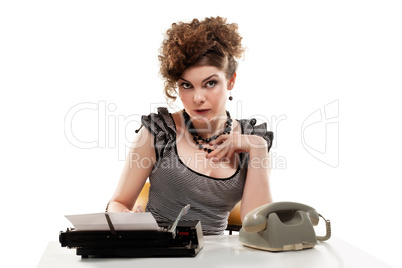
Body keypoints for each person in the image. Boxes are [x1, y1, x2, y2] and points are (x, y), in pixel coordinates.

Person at [107, 16, 273, 235]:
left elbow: (258, 228)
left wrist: (258, 148)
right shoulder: (158, 132)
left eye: (210, 83)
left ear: (231, 81)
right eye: (187, 85)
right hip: (159, 252)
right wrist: (127, 219)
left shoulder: (252, 139)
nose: (197, 98)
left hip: (219, 259)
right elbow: (117, 203)